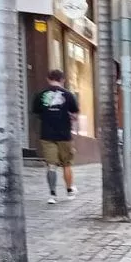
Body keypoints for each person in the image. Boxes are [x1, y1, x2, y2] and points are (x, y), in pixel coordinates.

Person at [31, 69, 79, 204]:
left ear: (48, 79)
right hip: (64, 134)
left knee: (51, 165)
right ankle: (69, 191)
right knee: (67, 164)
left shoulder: (40, 95)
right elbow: (74, 115)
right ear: (62, 80)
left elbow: (36, 113)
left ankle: (53, 195)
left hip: (47, 134)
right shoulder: (69, 95)